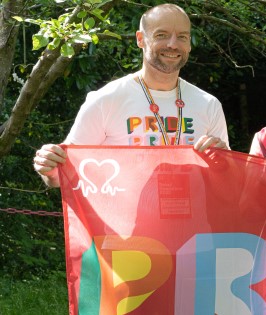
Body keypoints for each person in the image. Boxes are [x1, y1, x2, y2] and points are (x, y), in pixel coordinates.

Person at [33, 3, 228, 188]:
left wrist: (226, 162)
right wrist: (48, 167)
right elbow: (62, 174)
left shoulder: (208, 104)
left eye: (182, 37)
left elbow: (226, 180)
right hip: (126, 223)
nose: (173, 44)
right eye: (162, 35)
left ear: (189, 44)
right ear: (140, 39)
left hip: (192, 223)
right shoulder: (106, 100)